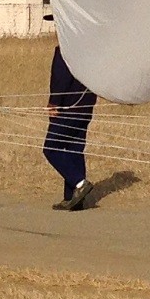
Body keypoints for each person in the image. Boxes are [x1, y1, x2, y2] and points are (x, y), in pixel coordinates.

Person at [43, 45, 96, 211]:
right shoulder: (90, 49)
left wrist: (54, 102)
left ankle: (80, 183)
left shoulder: (65, 49)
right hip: (86, 107)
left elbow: (60, 77)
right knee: (74, 149)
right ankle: (73, 198)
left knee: (51, 148)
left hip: (68, 108)